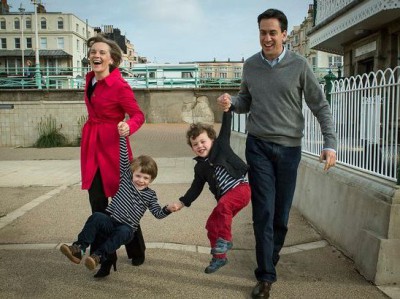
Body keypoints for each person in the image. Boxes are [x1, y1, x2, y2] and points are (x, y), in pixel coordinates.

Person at [217, 9, 337, 299]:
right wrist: (232, 102)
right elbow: (246, 100)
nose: (267, 38)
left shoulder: (299, 66)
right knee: (263, 212)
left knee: (281, 215)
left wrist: (330, 142)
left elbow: (319, 105)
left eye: (272, 32)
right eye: (262, 32)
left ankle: (271, 254)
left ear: (284, 35)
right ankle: (265, 275)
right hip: (258, 146)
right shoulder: (251, 66)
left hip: (288, 149)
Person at [61, 137, 179, 277]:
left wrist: (168, 209)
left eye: (146, 178)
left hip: (127, 228)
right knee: (96, 216)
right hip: (111, 221)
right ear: (132, 173)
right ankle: (79, 249)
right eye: (138, 176)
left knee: (122, 232)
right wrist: (122, 137)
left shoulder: (150, 195)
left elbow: (158, 213)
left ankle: (98, 256)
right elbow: (123, 156)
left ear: (151, 179)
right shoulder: (125, 180)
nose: (141, 180)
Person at [80, 34, 147, 275]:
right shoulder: (89, 80)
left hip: (114, 150)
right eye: (93, 52)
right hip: (92, 148)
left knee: (124, 205)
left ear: (112, 59)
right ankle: (104, 260)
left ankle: (137, 251)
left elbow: (138, 115)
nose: (96, 56)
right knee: (97, 205)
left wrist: (129, 126)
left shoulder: (120, 86)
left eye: (101, 53)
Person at [174, 111, 251, 274]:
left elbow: (226, 128)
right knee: (211, 225)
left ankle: (226, 240)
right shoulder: (200, 167)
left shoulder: (221, 147)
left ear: (212, 141)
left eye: (203, 141)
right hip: (226, 199)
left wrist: (226, 110)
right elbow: (196, 187)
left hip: (241, 189)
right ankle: (219, 257)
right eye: (195, 144)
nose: (199, 146)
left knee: (223, 205)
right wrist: (182, 202)